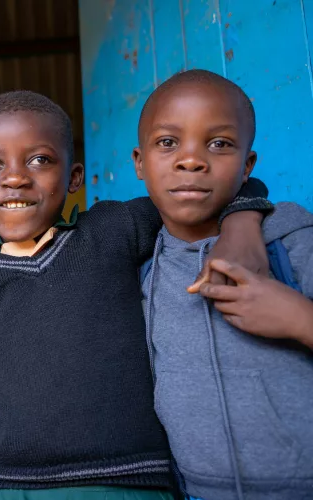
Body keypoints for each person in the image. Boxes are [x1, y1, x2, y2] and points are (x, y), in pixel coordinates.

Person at [0, 90, 273, 500]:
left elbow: (207, 189)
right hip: (13, 484)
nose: (15, 177)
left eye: (40, 160)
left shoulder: (113, 229)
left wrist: (242, 223)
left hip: (130, 480)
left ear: (74, 177)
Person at [135, 69, 313, 500]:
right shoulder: (138, 264)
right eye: (168, 142)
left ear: (248, 164)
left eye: (219, 143)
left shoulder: (292, 241)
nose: (191, 159)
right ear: (139, 163)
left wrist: (298, 317)